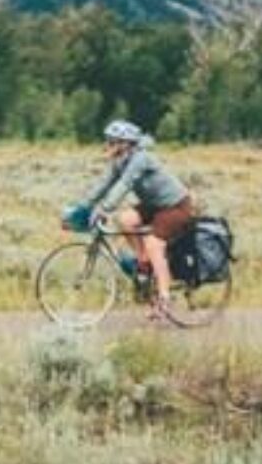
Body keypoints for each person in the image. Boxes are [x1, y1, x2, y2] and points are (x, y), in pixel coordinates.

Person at [81, 119, 196, 321]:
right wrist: (84, 206)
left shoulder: (141, 159)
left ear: (125, 144)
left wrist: (104, 209)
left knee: (154, 244)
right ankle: (143, 262)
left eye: (112, 141)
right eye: (108, 141)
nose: (107, 145)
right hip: (155, 205)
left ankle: (164, 298)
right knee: (125, 220)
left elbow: (124, 185)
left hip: (176, 206)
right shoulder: (120, 161)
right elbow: (104, 184)